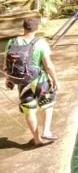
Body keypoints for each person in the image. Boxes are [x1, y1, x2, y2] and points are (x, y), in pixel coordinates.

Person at [4, 17, 59, 146]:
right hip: (40, 81)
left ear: (23, 27)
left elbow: (6, 64)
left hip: (22, 82)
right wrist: (55, 79)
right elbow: (48, 65)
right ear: (36, 28)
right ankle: (46, 131)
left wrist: (8, 79)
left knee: (29, 110)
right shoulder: (40, 43)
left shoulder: (12, 42)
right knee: (47, 105)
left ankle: (37, 139)